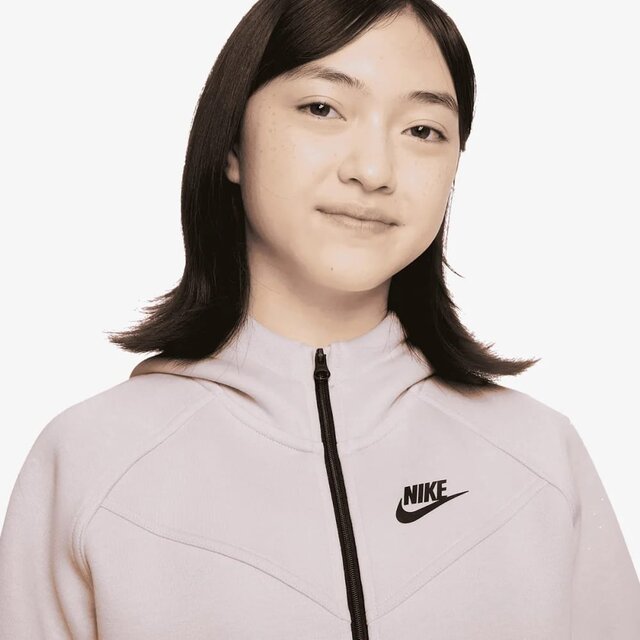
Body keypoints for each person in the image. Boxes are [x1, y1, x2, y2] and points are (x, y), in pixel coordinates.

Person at [1, 0, 639, 638]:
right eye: (322, 109)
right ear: (232, 143)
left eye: (422, 130)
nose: (373, 171)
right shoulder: (92, 460)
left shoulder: (538, 457)